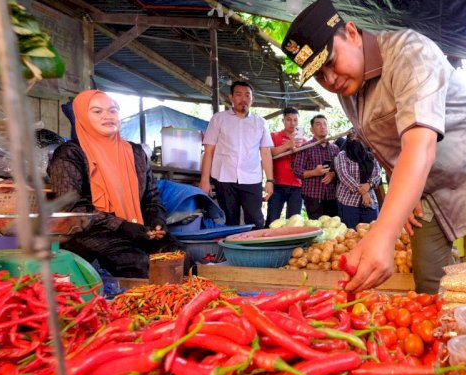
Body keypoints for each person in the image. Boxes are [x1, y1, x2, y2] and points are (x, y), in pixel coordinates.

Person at [282, 0, 466, 305]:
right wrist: (406, 195)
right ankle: (444, 348)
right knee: (428, 291)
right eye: (318, 75)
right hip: (428, 193)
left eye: (329, 63)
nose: (329, 80)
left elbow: (420, 145)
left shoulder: (409, 51)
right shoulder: (348, 90)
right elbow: (390, 148)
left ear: (352, 34)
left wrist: (384, 231)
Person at [49, 90, 183, 278]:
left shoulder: (136, 153)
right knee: (137, 264)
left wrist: (156, 220)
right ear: (81, 117)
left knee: (178, 257)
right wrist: (122, 226)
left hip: (137, 229)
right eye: (97, 112)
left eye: (112, 111)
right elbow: (72, 207)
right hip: (89, 232)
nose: (107, 116)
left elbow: (152, 198)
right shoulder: (70, 154)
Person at [199, 81, 274, 229]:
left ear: (252, 99)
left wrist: (270, 180)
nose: (243, 99)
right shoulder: (219, 119)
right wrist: (204, 180)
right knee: (229, 219)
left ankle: (257, 250)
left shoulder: (261, 122)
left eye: (247, 95)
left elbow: (265, 152)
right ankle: (232, 251)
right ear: (231, 97)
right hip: (224, 177)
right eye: (238, 94)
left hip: (251, 178)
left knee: (256, 219)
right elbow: (209, 151)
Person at [293, 115, 340, 219]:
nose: (322, 127)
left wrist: (333, 174)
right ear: (311, 130)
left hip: (332, 195)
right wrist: (314, 172)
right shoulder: (306, 148)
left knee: (332, 227)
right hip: (312, 196)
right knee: (315, 227)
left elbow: (340, 169)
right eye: (318, 124)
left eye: (324, 124)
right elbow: (297, 171)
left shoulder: (335, 148)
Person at [265, 107, 305, 227]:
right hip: (277, 184)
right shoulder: (274, 136)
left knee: (294, 221)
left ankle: (291, 245)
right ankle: (268, 243)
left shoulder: (303, 140)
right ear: (283, 121)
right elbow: (268, 153)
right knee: (272, 219)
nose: (292, 123)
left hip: (297, 186)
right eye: (289, 120)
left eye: (295, 120)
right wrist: (287, 145)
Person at [334, 139, 382, 228]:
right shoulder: (343, 155)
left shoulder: (371, 154)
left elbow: (377, 173)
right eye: (352, 138)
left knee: (372, 230)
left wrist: (369, 184)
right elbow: (344, 175)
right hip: (348, 202)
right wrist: (363, 191)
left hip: (369, 201)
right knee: (351, 235)